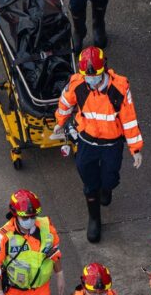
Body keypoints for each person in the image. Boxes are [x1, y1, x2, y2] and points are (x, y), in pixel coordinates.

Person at [54, 46, 143, 242]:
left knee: (110, 178)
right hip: (87, 141)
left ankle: (106, 188)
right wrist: (60, 122)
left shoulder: (119, 88)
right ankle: (94, 218)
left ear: (104, 70)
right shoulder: (77, 84)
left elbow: (129, 119)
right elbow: (65, 103)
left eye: (94, 76)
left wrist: (135, 148)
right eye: (87, 76)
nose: (91, 80)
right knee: (89, 181)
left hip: (112, 144)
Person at [0, 189, 65, 295]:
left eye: (33, 217)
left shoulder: (46, 226)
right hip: (16, 293)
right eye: (26, 218)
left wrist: (59, 274)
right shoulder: (3, 236)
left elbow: (54, 251)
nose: (30, 221)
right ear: (15, 215)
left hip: (41, 290)